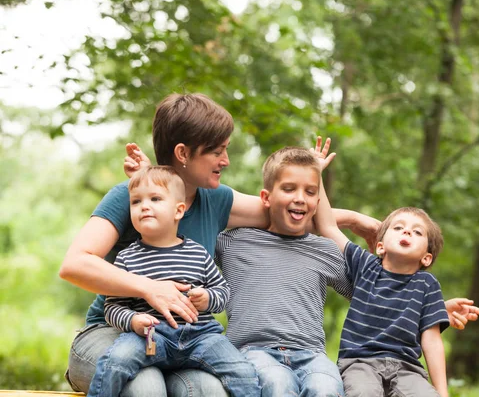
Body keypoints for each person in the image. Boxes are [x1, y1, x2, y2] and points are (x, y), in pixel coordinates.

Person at [59, 92, 383, 397]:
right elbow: (76, 264)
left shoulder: (215, 200)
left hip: (183, 341)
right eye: (217, 151)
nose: (225, 160)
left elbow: (286, 213)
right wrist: (148, 288)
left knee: (209, 391)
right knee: (147, 386)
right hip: (115, 332)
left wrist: (356, 220)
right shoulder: (130, 196)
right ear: (183, 153)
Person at [86, 165, 261, 397]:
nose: (144, 206)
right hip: (150, 336)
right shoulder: (127, 257)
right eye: (136, 202)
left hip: (201, 336)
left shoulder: (198, 253)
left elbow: (223, 291)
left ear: (178, 211)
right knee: (115, 360)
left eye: (155, 199)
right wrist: (133, 320)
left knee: (243, 371)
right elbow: (112, 307)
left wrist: (208, 298)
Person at [215, 146, 352, 396]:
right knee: (278, 384)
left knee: (327, 388)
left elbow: (368, 294)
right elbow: (192, 225)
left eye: (309, 192)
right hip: (252, 350)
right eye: (289, 189)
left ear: (317, 204)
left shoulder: (324, 250)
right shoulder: (233, 241)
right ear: (265, 198)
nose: (300, 198)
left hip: (311, 354)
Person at [314, 147, 451, 396]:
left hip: (408, 369)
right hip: (359, 363)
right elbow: (327, 226)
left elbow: (431, 341)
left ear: (427, 257)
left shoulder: (427, 284)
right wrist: (316, 174)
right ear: (379, 245)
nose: (407, 232)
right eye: (398, 227)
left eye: (417, 232)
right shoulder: (365, 265)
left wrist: (442, 392)